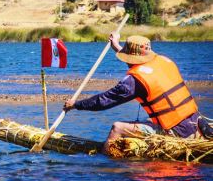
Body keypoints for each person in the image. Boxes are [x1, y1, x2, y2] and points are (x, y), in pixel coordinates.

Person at [63, 33, 211, 154]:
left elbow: (103, 101)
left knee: (117, 128)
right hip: (196, 123)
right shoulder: (164, 61)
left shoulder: (134, 81)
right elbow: (140, 64)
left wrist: (75, 105)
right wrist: (117, 47)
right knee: (149, 118)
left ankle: (105, 163)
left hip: (176, 132)